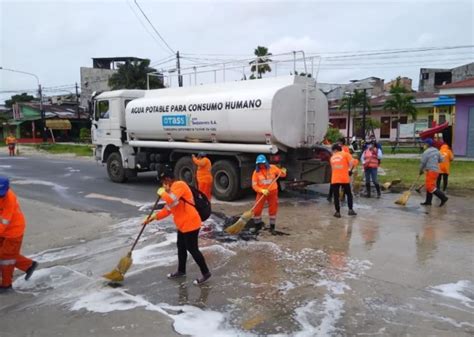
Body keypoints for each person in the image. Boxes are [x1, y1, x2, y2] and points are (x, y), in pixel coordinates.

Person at [144, 166, 211, 285]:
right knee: (181, 246)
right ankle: (181, 271)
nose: (163, 184)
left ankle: (206, 273)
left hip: (190, 222)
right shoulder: (172, 190)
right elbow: (169, 208)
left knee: (192, 249)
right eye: (162, 182)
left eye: (164, 181)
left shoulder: (179, 185)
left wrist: (163, 192)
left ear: (169, 178)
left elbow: (170, 199)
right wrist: (154, 217)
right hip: (182, 224)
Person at [0, 176, 38, 293]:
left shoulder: (9, 198)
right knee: (7, 254)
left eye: (2, 194)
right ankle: (28, 265)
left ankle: (6, 285)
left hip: (13, 231)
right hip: (3, 230)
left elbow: (4, 222)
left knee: (5, 258)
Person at [252, 154, 287, 235]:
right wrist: (261, 190)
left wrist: (283, 171)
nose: (261, 165)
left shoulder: (273, 168)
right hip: (262, 193)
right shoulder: (256, 173)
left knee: (273, 209)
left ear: (265, 162)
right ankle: (257, 227)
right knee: (257, 210)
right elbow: (254, 185)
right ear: (257, 164)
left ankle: (272, 228)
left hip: (273, 192)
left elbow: (282, 174)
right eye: (259, 164)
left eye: (262, 163)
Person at [330, 144, 357, 218]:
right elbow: (352, 162)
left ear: (335, 150)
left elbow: (333, 169)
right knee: (348, 194)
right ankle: (350, 210)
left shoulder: (332, 157)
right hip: (344, 178)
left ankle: (337, 212)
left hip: (335, 178)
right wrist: (349, 170)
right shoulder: (346, 154)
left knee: (336, 196)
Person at [420, 138, 448, 207]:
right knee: (429, 185)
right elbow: (441, 160)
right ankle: (428, 202)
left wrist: (420, 170)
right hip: (436, 171)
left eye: (424, 144)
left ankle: (443, 198)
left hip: (431, 171)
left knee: (430, 186)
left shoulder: (426, 152)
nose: (424, 145)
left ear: (427, 144)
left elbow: (422, 163)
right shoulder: (437, 151)